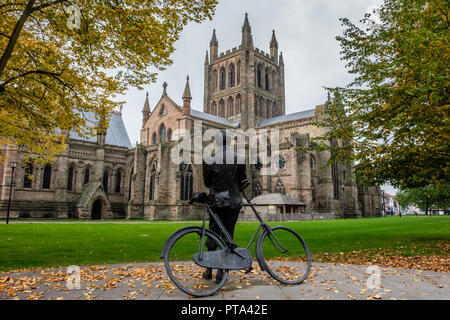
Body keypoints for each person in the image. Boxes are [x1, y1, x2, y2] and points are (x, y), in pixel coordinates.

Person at [202, 129, 248, 283]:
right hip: (233, 202)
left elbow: (207, 183)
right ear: (229, 142)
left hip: (216, 202)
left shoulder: (209, 159)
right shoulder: (240, 159)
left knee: (213, 232)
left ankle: (209, 270)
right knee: (228, 234)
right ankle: (221, 272)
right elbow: (243, 182)